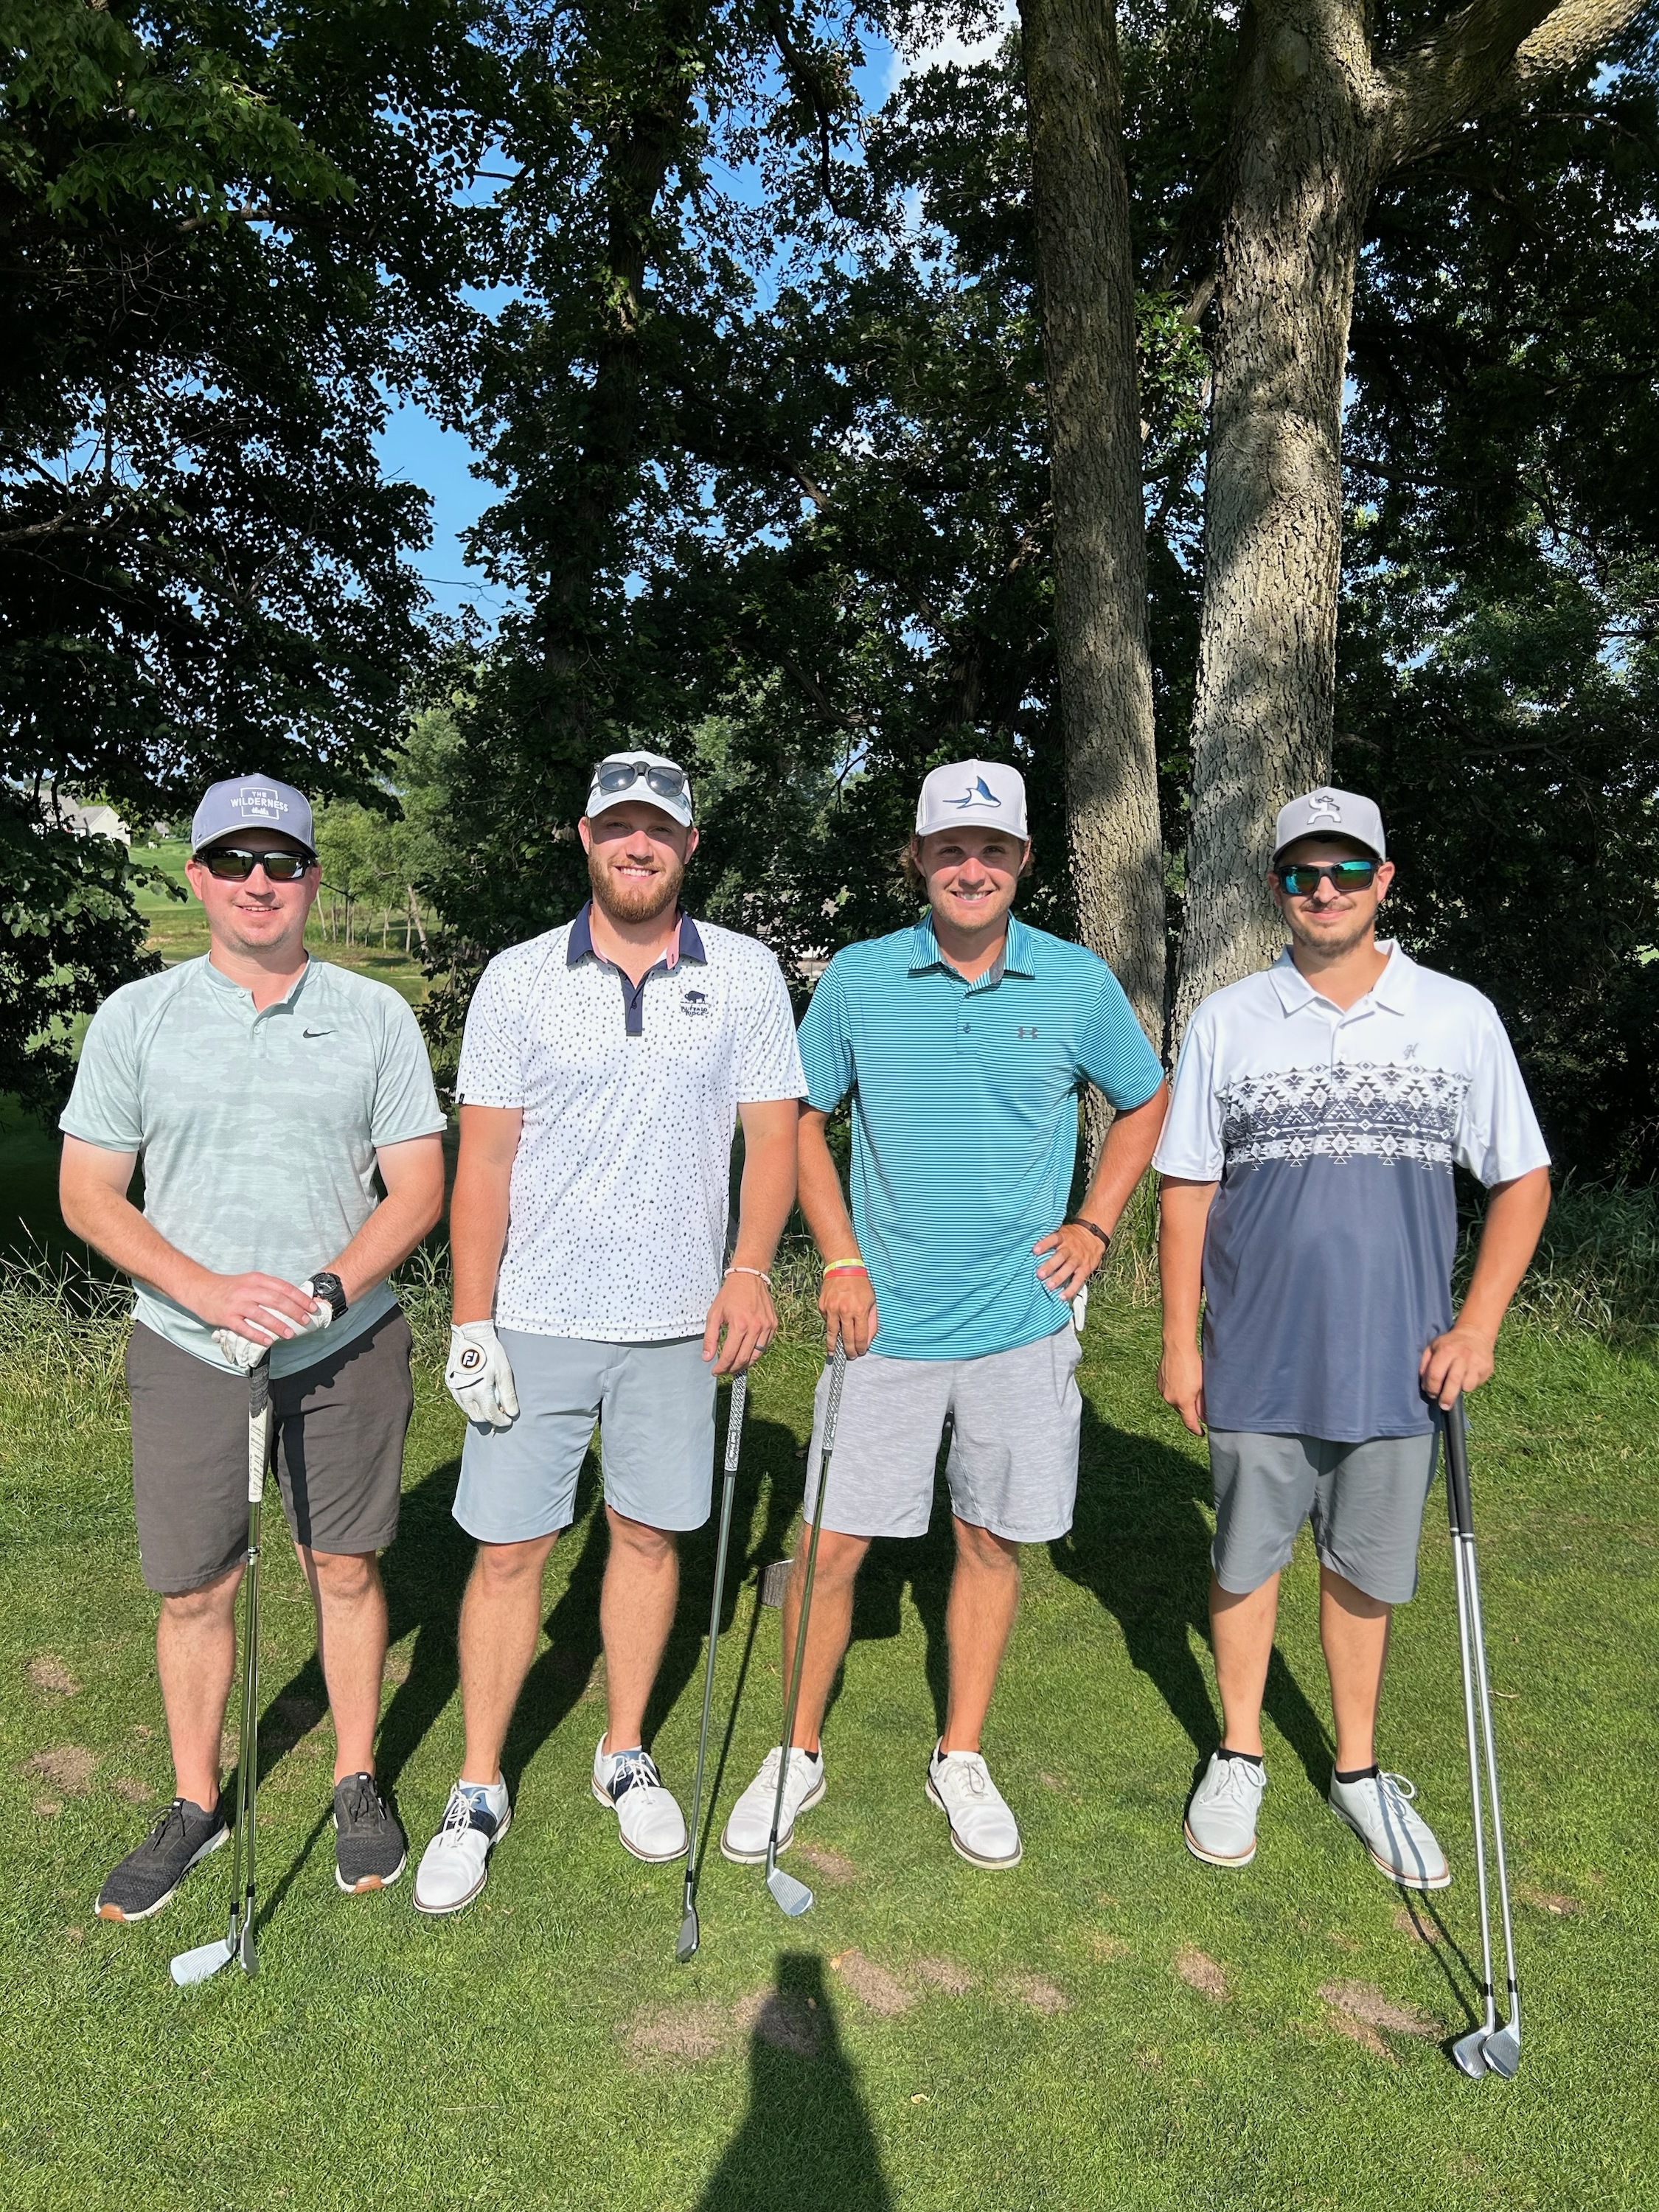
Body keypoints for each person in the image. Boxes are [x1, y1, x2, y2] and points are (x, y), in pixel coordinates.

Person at [720, 759, 1168, 1873]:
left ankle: (959, 1753)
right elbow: (799, 1115)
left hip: (1022, 1322)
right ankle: (796, 1749)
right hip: (882, 1325)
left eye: (993, 850)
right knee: (830, 1546)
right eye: (951, 849)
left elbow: (1144, 1095)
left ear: (1023, 862)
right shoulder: (861, 978)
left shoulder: (1074, 981)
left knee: (989, 1540)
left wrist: (1096, 1223)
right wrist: (838, 1256)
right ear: (917, 859)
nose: (973, 869)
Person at [412, 750, 804, 1915]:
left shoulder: (744, 972)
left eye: (660, 829)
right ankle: (478, 1785)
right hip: (535, 1316)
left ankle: (622, 1750)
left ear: (688, 845)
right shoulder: (518, 978)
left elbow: (773, 1140)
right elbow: (483, 1163)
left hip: (678, 1323)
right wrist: (470, 1317)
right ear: (585, 837)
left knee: (645, 1537)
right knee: (507, 1551)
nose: (639, 845)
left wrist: (748, 1270)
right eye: (619, 826)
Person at [60, 773, 448, 1921]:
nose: (258, 882)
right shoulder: (138, 1016)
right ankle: (195, 1803)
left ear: (312, 879)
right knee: (196, 1588)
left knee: (345, 1568)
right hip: (189, 1346)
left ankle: (355, 1776)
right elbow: (88, 1192)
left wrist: (329, 1289)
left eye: (281, 861)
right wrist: (207, 1291)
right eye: (234, 861)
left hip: (345, 1341)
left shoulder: (373, 1014)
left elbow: (418, 1188)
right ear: (199, 877)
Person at [1156, 787, 1551, 1888]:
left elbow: (1522, 1178)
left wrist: (1477, 1326)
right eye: (1300, 873)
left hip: (1397, 1360)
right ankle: (1239, 1752)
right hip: (1254, 1352)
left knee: (1363, 1570)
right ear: (1275, 887)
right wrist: (1181, 1342)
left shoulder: (1454, 1014)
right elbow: (1186, 1190)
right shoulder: (1227, 1020)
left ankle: (1358, 1769)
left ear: (1382, 883)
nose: (1321, 891)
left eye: (1343, 872)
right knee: (1245, 1559)